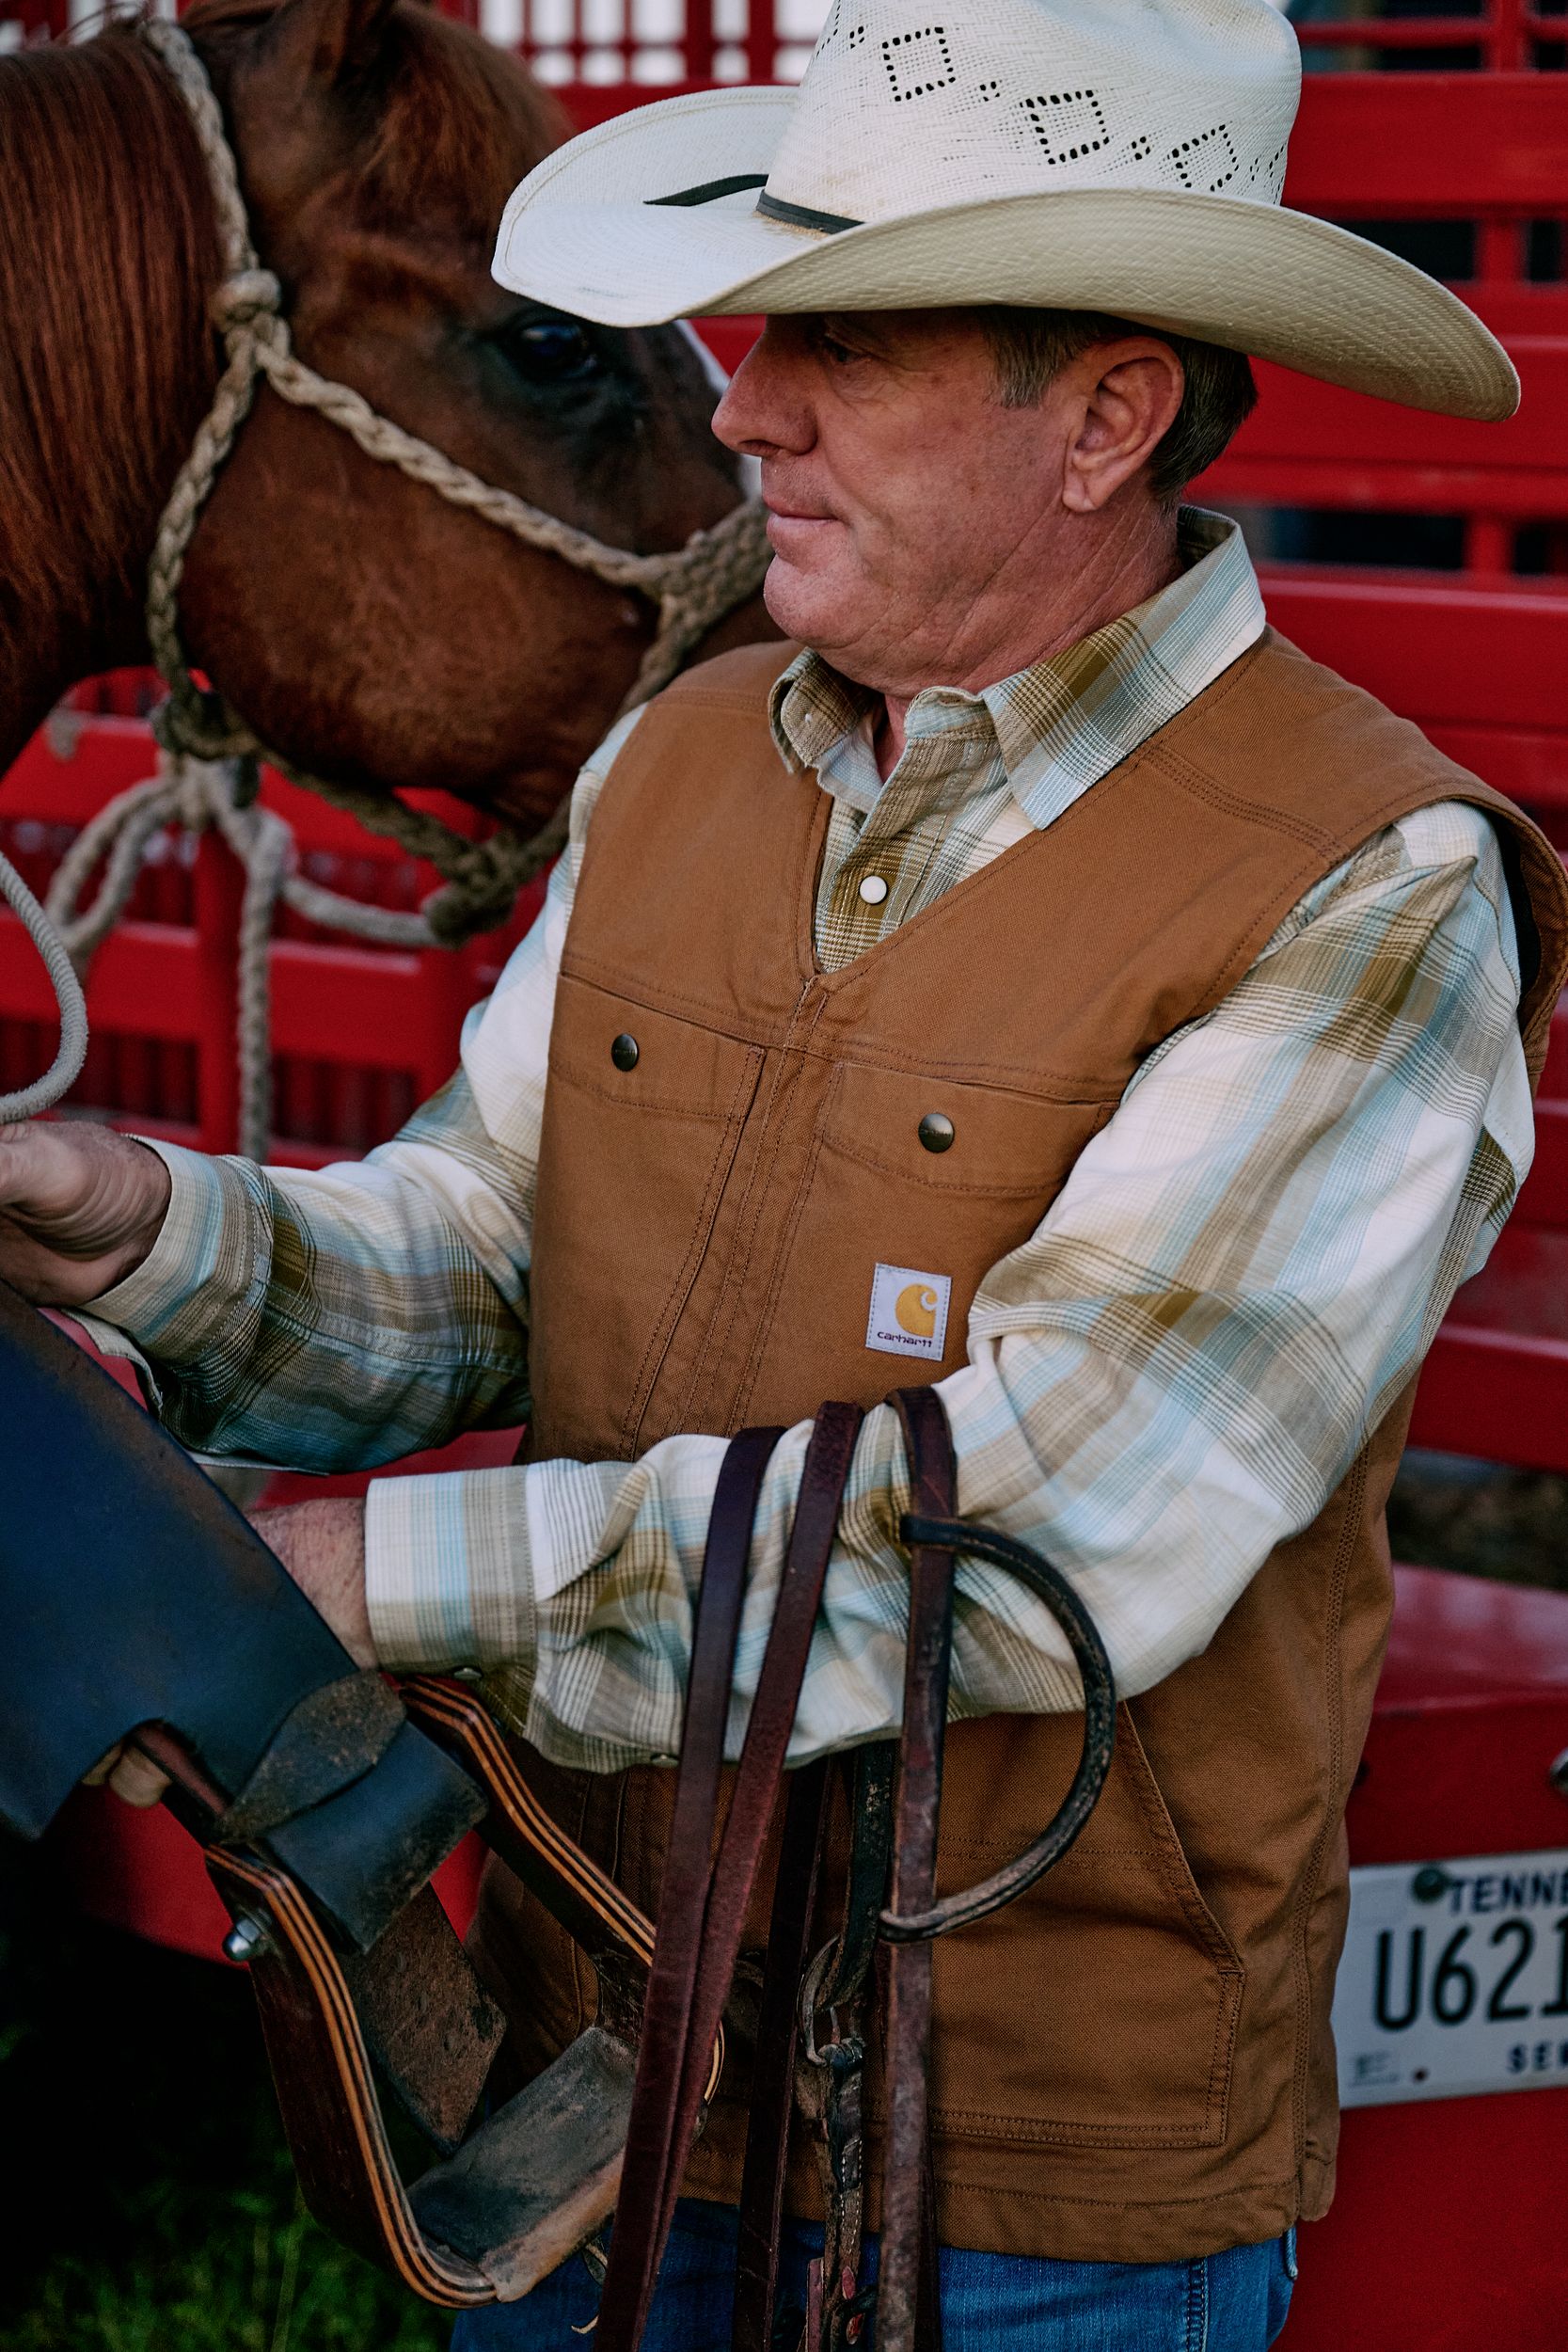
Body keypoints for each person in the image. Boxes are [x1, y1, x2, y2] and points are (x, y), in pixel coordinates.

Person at [3, 0, 1564, 2344]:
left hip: (1028, 2196)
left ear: (1108, 414)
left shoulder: (1367, 884)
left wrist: (315, 1580)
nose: (740, 409)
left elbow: (1022, 1554)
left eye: (840, 336)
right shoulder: (688, 759)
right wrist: (155, 1219)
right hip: (585, 2092)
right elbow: (483, 1249)